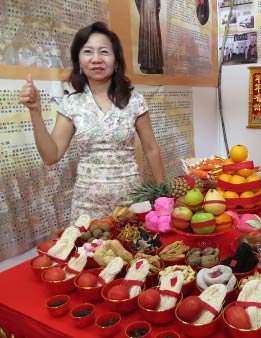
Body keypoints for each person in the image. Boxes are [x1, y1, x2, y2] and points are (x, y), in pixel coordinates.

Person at [18, 21, 164, 223]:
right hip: (88, 205)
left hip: (131, 199)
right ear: (79, 61)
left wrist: (163, 193)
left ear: (116, 61)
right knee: (88, 252)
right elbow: (51, 156)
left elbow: (151, 149)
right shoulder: (72, 104)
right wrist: (35, 112)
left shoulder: (134, 101)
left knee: (133, 251)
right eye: (88, 52)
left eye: (104, 52)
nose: (96, 59)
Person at [135, 0, 164, 74]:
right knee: (146, 33)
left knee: (153, 33)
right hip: (147, 6)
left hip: (151, 6)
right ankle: (147, 65)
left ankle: (154, 65)